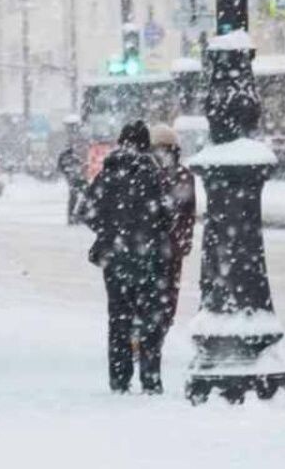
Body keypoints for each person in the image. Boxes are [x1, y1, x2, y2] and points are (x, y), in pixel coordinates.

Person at [83, 120, 172, 394]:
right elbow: (166, 217)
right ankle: (150, 379)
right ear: (146, 144)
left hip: (115, 259)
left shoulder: (106, 174)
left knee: (119, 319)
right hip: (148, 258)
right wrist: (146, 232)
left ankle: (119, 379)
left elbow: (87, 211)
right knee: (150, 321)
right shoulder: (152, 174)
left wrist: (110, 232)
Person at [149, 123, 196, 337]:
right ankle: (158, 331)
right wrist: (183, 241)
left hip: (153, 246)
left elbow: (186, 212)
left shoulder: (148, 175)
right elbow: (188, 213)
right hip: (170, 246)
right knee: (167, 294)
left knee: (154, 293)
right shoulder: (183, 176)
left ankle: (151, 334)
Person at [57, 143, 87, 225]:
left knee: (75, 197)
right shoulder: (70, 157)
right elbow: (80, 164)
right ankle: (78, 216)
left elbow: (60, 167)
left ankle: (74, 217)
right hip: (76, 179)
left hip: (74, 179)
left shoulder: (68, 156)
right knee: (81, 196)